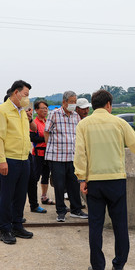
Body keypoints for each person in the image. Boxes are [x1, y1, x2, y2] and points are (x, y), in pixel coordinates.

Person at [74, 89, 135, 270]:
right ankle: (118, 266)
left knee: (95, 226)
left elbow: (80, 153)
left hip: (94, 182)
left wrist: (82, 178)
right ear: (108, 104)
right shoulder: (119, 122)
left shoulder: (84, 124)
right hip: (116, 181)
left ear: (93, 104)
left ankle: (98, 269)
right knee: (120, 226)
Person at [0, 80, 34, 244]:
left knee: (20, 195)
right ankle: (5, 229)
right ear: (16, 93)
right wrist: (1, 160)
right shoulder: (2, 111)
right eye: (25, 94)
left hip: (24, 159)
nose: (27, 98)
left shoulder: (22, 111)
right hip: (9, 159)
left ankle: (17, 225)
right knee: (6, 196)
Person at [45, 91, 87, 222]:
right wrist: (49, 147)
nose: (73, 104)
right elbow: (46, 132)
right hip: (57, 157)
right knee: (59, 185)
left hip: (72, 157)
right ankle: (61, 211)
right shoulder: (54, 114)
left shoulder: (76, 116)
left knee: (74, 184)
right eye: (72, 102)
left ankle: (76, 209)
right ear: (64, 102)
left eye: (75, 102)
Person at [27, 100, 53, 214]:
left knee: (46, 176)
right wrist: (47, 139)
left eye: (46, 108)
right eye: (42, 108)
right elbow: (32, 138)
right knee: (34, 177)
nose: (45, 110)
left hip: (47, 153)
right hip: (37, 154)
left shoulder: (47, 121)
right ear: (36, 110)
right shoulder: (34, 123)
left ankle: (44, 197)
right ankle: (33, 202)